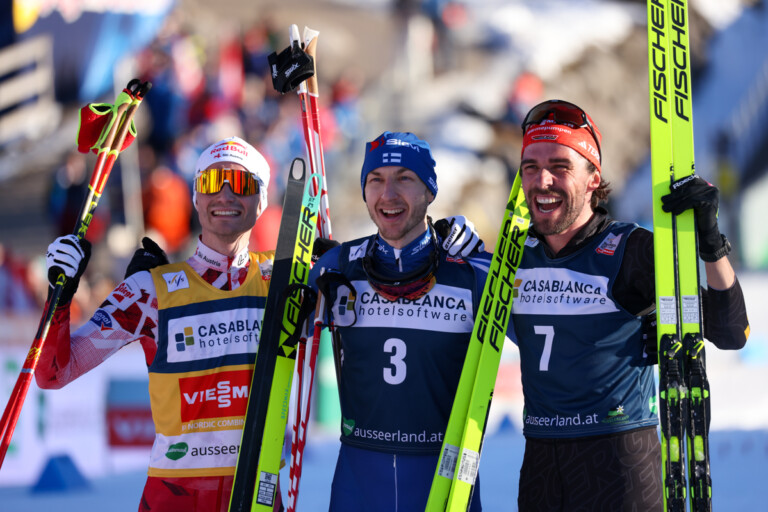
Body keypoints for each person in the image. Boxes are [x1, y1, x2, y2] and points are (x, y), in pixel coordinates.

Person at [508, 99, 750, 510]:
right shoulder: (513, 256)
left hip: (618, 464)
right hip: (540, 470)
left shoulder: (631, 249)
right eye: (530, 167)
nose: (542, 180)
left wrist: (711, 242)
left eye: (560, 166)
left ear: (591, 179)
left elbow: (731, 331)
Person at [37, 136, 283, 512]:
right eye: (213, 183)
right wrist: (60, 298)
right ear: (196, 197)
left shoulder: (286, 279)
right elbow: (53, 374)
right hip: (176, 497)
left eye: (243, 184)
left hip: (258, 494)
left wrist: (342, 265)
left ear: (262, 201)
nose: (227, 195)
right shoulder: (149, 291)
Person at [309, 131, 490, 511]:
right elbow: (266, 330)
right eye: (376, 180)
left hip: (443, 474)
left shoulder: (472, 272)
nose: (388, 194)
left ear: (430, 191)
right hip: (359, 477)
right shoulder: (338, 267)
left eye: (405, 178)